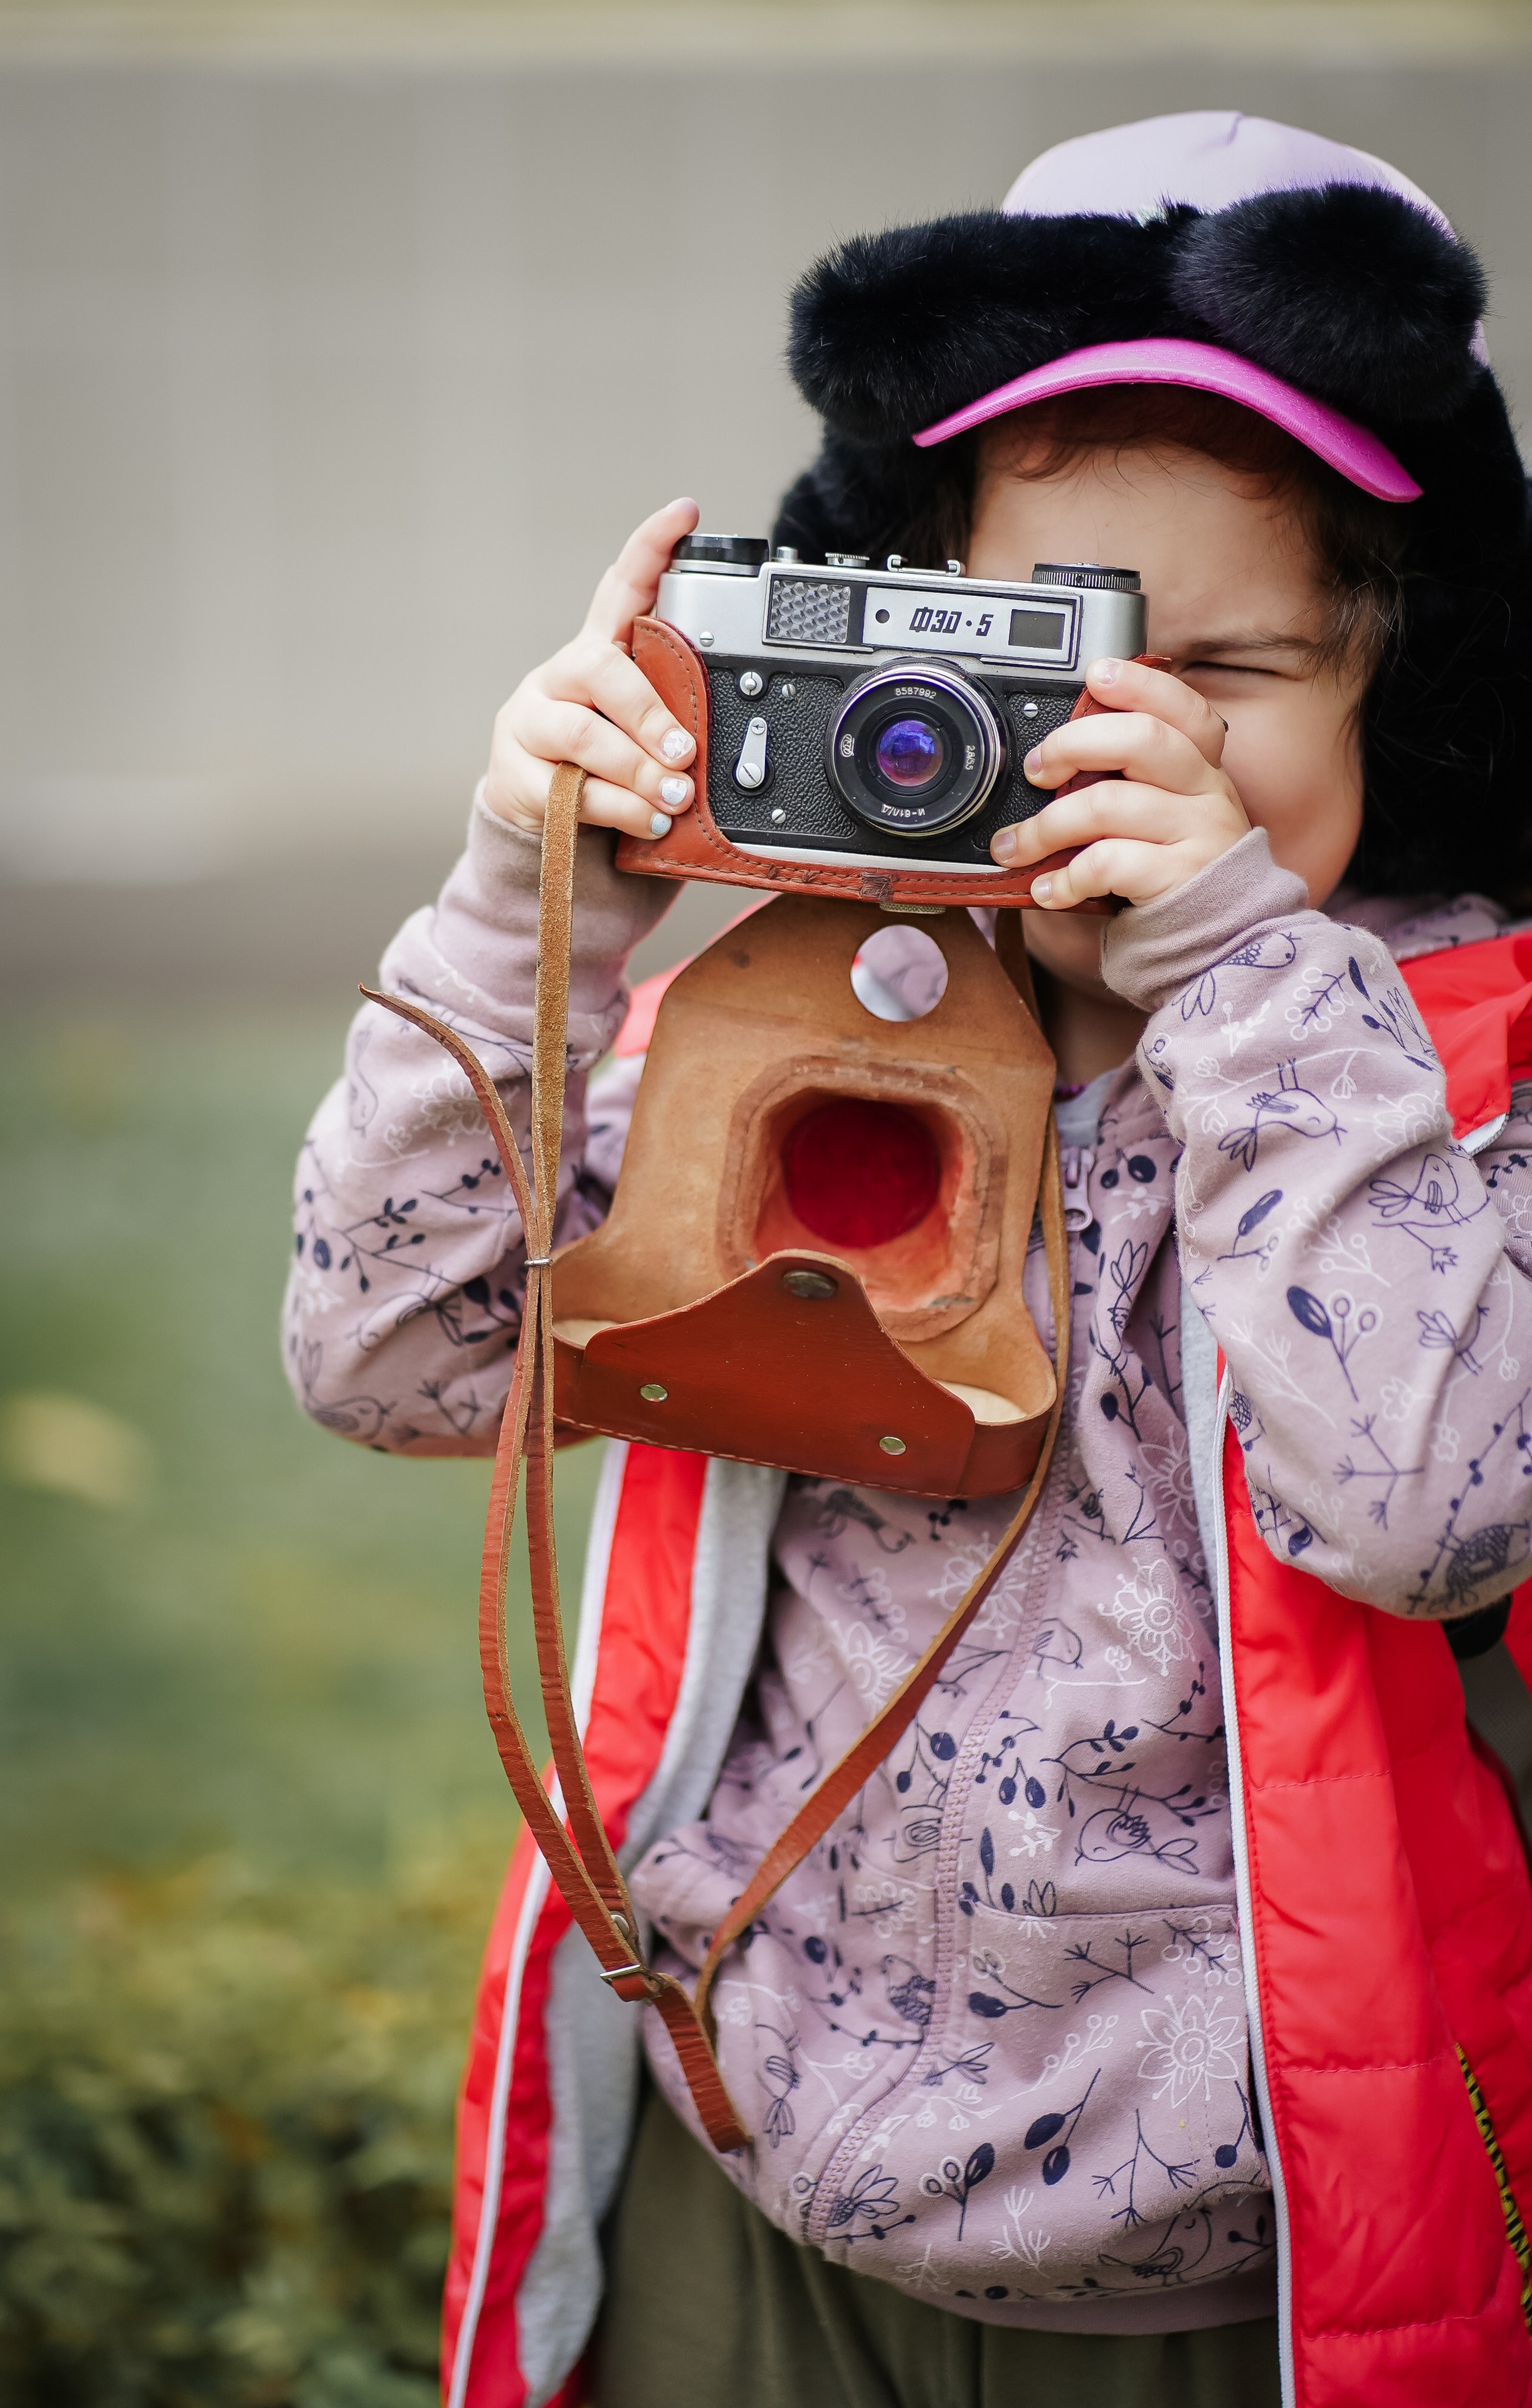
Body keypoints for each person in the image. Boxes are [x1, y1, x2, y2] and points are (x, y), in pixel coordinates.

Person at [283, 113, 1532, 2408]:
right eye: (1057, 654)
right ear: (901, 636)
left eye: (1233, 669)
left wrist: (1247, 969)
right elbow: (395, 1359)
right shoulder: (769, 1015)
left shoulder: (1472, 1078)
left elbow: (1424, 1503)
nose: (1129, 743)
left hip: (1249, 2278)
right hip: (745, 2190)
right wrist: (518, 912)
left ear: (1400, 680)